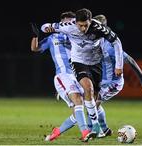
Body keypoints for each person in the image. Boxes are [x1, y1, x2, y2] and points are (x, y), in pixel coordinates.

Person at [41, 8, 123, 138]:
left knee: (93, 96)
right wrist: (47, 28)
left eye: (86, 25)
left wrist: (119, 66)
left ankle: (99, 128)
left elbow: (116, 42)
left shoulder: (98, 27)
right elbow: (45, 26)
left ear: (91, 21)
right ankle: (95, 126)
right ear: (75, 23)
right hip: (78, 62)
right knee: (88, 88)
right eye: (80, 25)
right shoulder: (68, 26)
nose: (83, 28)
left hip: (96, 64)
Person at [30, 11, 94, 142]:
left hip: (78, 75)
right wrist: (35, 36)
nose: (69, 25)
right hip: (63, 75)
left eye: (71, 22)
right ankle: (85, 132)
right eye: (66, 22)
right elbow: (35, 49)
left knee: (80, 111)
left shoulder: (76, 36)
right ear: (61, 23)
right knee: (77, 99)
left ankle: (57, 132)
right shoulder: (52, 38)